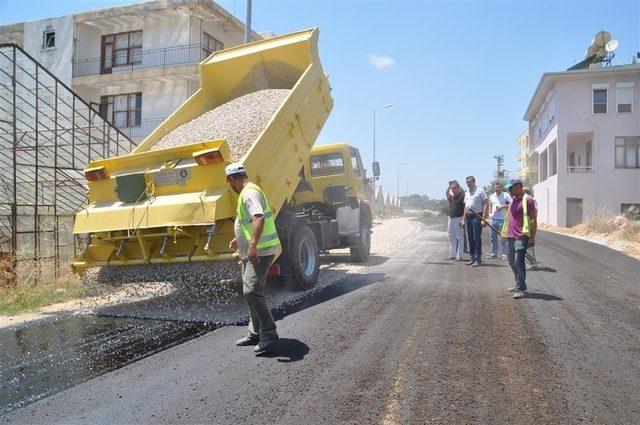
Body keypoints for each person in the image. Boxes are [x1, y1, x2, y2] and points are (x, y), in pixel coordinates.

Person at [226, 163, 281, 354]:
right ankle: (255, 332)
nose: (230, 186)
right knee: (249, 293)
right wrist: (239, 239)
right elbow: (248, 222)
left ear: (232, 179)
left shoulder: (248, 193)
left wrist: (252, 245)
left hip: (261, 252)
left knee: (252, 292)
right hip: (251, 251)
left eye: (229, 182)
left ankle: (269, 332)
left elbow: (258, 217)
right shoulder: (247, 192)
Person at [502, 178, 537, 299]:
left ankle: (520, 289)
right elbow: (510, 218)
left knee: (518, 261)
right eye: (509, 188)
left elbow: (533, 219)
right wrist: (505, 233)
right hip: (511, 235)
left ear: (518, 186)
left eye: (511, 188)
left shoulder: (528, 200)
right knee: (511, 261)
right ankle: (519, 282)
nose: (509, 190)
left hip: (521, 236)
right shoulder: (513, 200)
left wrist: (532, 237)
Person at [461, 176, 488, 267]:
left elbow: (485, 204)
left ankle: (477, 259)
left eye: (470, 182)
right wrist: (463, 219)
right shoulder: (467, 193)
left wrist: (484, 218)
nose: (468, 184)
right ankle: (472, 258)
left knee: (476, 238)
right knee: (470, 239)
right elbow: (466, 207)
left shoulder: (480, 190)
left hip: (477, 216)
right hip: (468, 216)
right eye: (467, 182)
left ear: (474, 182)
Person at [488, 181, 511, 260]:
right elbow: (490, 205)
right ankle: (494, 253)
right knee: (492, 237)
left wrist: (503, 206)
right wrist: (490, 214)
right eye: (495, 187)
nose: (496, 189)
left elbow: (512, 204)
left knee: (504, 237)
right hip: (493, 219)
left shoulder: (506, 195)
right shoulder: (492, 196)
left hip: (502, 219)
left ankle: (505, 254)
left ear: (501, 187)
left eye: (498, 187)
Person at [445, 180, 465, 261]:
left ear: (458, 188)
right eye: (452, 188)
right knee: (450, 236)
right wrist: (449, 186)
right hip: (451, 218)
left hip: (458, 218)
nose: (453, 189)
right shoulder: (452, 197)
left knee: (460, 237)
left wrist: (463, 219)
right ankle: (452, 254)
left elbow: (465, 209)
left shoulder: (462, 196)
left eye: (454, 188)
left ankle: (459, 255)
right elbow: (446, 193)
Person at [523, 186, 539, 270]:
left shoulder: (531, 200)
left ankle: (533, 262)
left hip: (529, 225)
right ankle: (532, 262)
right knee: (527, 245)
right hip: (528, 225)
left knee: (529, 244)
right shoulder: (529, 200)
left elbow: (534, 214)